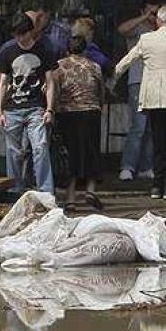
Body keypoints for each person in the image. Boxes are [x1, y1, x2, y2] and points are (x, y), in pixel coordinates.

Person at [114, 3, 166, 200]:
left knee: (158, 140)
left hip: (152, 95)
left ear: (159, 21)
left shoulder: (146, 38)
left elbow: (127, 60)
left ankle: (156, 186)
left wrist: (114, 75)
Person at [0, 14, 56, 195]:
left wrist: (49, 109)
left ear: (31, 32)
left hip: (36, 107)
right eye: (16, 35)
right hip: (12, 108)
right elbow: (3, 82)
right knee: (13, 152)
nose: (20, 38)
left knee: (40, 147)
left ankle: (45, 192)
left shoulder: (43, 50)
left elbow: (50, 81)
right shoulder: (8, 51)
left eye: (23, 34)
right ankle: (15, 191)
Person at [51, 34, 106, 211]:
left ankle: (70, 198)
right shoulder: (95, 67)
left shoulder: (59, 67)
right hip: (91, 112)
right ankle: (90, 191)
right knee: (91, 152)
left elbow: (55, 91)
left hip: (68, 114)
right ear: (85, 50)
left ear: (67, 50)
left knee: (70, 156)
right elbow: (101, 92)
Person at [115, 0, 158, 181]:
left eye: (155, 13)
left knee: (151, 127)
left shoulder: (160, 31)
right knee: (138, 126)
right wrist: (143, 18)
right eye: (150, 12)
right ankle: (128, 166)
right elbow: (122, 29)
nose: (152, 16)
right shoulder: (138, 29)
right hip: (138, 81)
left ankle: (146, 166)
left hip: (155, 82)